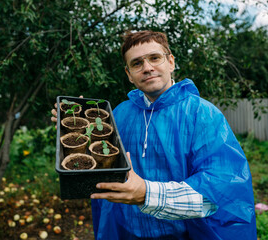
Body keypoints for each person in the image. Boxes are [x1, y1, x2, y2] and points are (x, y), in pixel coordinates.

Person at [51, 30, 257, 239]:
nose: (147, 68)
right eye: (137, 63)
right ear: (129, 74)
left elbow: (220, 189)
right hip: (126, 232)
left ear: (171, 62)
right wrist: (72, 127)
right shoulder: (120, 114)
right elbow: (100, 160)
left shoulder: (201, 114)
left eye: (155, 58)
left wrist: (146, 194)